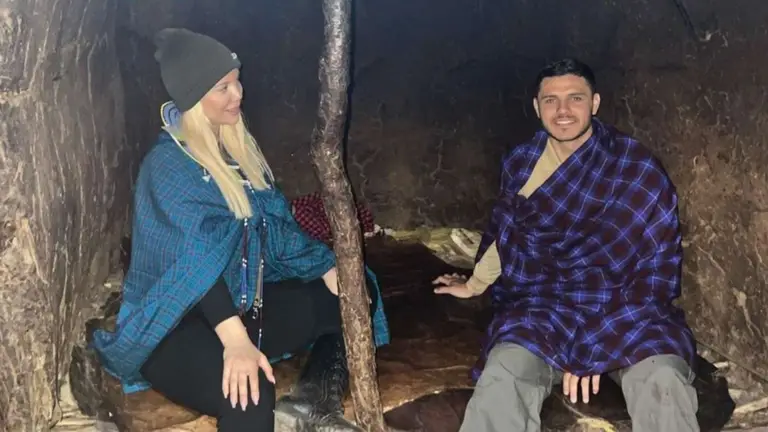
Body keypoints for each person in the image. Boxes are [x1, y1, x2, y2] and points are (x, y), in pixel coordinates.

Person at [90, 28, 390, 432]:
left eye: (237, 81)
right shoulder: (168, 168)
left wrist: (324, 266)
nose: (238, 94)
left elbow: (274, 229)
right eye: (223, 87)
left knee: (356, 290)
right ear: (195, 97)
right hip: (174, 325)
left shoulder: (235, 149)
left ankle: (312, 401)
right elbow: (195, 265)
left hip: (242, 301)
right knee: (250, 396)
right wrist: (236, 343)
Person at [433, 58, 699, 432]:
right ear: (536, 107)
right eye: (551, 100)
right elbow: (507, 232)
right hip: (544, 303)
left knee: (664, 379)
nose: (563, 111)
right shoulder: (521, 163)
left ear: (594, 103)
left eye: (575, 98)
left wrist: (600, 343)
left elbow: (657, 266)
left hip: (623, 306)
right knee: (503, 374)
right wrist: (475, 284)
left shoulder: (635, 167)